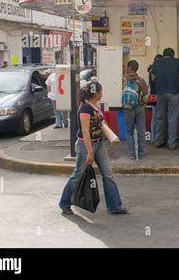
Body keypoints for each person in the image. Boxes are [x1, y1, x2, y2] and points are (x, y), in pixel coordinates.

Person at [58, 81, 128, 215]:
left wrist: (103, 124)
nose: (102, 93)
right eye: (101, 91)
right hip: (86, 145)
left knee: (108, 175)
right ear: (96, 93)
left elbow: (97, 122)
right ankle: (64, 203)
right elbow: (85, 131)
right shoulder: (85, 108)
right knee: (78, 175)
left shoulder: (95, 106)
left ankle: (114, 206)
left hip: (99, 144)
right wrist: (90, 152)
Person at [151, 48, 179, 150]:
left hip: (160, 93)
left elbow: (153, 78)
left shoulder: (157, 62)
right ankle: (172, 143)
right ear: (173, 54)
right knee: (172, 118)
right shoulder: (177, 62)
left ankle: (158, 141)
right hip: (174, 93)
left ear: (164, 54)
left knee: (159, 117)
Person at [123, 60, 149, 160]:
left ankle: (131, 154)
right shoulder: (141, 80)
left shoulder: (124, 80)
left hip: (127, 108)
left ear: (129, 68)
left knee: (129, 131)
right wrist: (140, 102)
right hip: (139, 108)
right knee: (141, 130)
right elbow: (146, 97)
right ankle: (142, 153)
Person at [147, 54, 162, 144]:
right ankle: (156, 137)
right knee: (157, 117)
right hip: (157, 95)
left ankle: (153, 137)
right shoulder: (156, 71)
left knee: (154, 117)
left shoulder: (150, 69)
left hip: (152, 95)